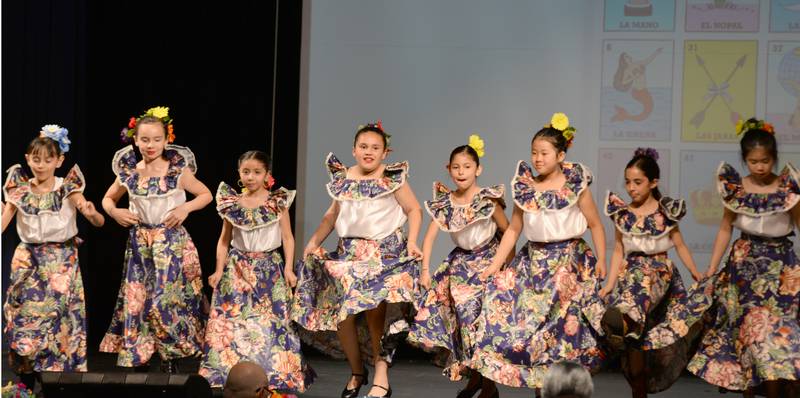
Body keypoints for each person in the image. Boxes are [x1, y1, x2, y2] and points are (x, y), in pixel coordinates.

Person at [646, 118, 800, 397]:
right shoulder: (735, 189)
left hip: (781, 269)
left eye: (765, 160)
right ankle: (750, 391)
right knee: (748, 335)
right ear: (744, 160)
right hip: (744, 265)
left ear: (774, 157)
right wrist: (713, 267)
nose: (760, 166)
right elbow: (724, 230)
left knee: (778, 337)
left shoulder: (788, 189)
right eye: (753, 161)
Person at [471, 113, 607, 397]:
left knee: (561, 336)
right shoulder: (525, 187)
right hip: (533, 264)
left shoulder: (574, 184)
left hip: (568, 264)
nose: (538, 158)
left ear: (560, 155)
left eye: (544, 153)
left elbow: (595, 224)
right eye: (534, 153)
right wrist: (495, 265)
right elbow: (513, 230)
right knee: (523, 328)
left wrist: (602, 260)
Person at [292, 121, 422, 398]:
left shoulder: (392, 177)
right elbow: (332, 215)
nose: (368, 152)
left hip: (382, 254)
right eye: (363, 146)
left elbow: (414, 209)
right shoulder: (343, 178)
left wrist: (411, 241)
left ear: (385, 153)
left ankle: (381, 377)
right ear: (354, 150)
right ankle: (357, 371)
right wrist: (314, 241)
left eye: (375, 148)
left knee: (377, 316)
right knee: (343, 315)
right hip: (349, 254)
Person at [99, 106, 212, 373]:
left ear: (166, 140)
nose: (151, 145)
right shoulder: (129, 172)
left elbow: (206, 194)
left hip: (170, 243)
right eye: (145, 140)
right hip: (140, 244)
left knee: (166, 299)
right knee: (139, 298)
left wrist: (185, 208)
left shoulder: (176, 171)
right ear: (135, 140)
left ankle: (169, 355)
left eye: (157, 139)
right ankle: (140, 355)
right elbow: (107, 198)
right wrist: (115, 211)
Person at [199, 150, 314, 393]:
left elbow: (287, 238)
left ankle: (274, 376)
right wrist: (218, 270)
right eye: (246, 172)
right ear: (239, 173)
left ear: (266, 175)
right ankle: (229, 376)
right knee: (235, 324)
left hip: (269, 269)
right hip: (237, 268)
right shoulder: (232, 204)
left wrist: (289, 269)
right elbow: (223, 241)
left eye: (257, 172)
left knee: (270, 324)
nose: (251, 177)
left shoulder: (277, 202)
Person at [2, 124, 104, 390]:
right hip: (27, 261)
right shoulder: (18, 189)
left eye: (48, 159)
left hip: (60, 261)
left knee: (59, 320)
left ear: (59, 160)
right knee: (23, 316)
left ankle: (57, 383)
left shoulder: (67, 187)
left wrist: (91, 212)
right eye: (36, 159)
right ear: (27, 159)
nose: (41, 164)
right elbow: (3, 223)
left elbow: (96, 219)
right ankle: (25, 381)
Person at [408, 135, 509, 398]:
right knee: (465, 325)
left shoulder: (488, 200)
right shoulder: (446, 202)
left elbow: (507, 230)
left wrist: (506, 266)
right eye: (456, 167)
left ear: (478, 169)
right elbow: (429, 238)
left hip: (489, 263)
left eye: (467, 166)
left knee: (484, 326)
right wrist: (426, 270)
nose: (461, 171)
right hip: (462, 268)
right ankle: (476, 379)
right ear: (448, 169)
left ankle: (488, 386)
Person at [599, 147, 702, 397]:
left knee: (642, 287)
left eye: (637, 182)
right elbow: (618, 251)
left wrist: (695, 272)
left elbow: (679, 245)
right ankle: (624, 322)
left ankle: (625, 318)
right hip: (630, 273)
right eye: (627, 182)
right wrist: (609, 284)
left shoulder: (665, 213)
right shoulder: (622, 214)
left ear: (653, 182)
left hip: (658, 273)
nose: (631, 188)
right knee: (636, 346)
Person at [611, 48, 662, 123]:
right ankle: (623, 116)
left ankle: (623, 116)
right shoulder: (627, 70)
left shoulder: (638, 63)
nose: (628, 57)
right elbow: (623, 82)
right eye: (626, 57)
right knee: (647, 111)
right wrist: (633, 77)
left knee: (647, 111)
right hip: (637, 92)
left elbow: (648, 60)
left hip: (644, 90)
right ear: (624, 60)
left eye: (628, 56)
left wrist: (656, 52)